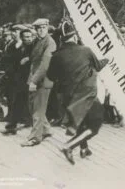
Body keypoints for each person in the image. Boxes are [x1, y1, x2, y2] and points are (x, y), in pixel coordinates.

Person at [47, 21, 108, 165]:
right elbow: (98, 66)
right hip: (85, 95)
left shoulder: (56, 55)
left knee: (81, 122)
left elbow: (50, 76)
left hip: (67, 96)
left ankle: (84, 149)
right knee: (95, 124)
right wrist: (107, 59)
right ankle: (69, 146)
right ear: (74, 37)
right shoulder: (85, 50)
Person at [21, 18, 56, 147]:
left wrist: (34, 81)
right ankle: (46, 130)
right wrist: (28, 58)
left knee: (37, 109)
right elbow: (36, 56)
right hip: (34, 78)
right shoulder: (38, 41)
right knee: (33, 107)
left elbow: (44, 65)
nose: (41, 30)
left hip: (42, 80)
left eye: (43, 28)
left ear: (47, 28)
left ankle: (35, 138)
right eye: (38, 28)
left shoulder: (50, 43)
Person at [0, 29, 35, 135]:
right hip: (20, 79)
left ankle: (17, 124)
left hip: (30, 79)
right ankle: (14, 125)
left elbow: (38, 58)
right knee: (19, 102)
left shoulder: (33, 48)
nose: (29, 38)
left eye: (30, 36)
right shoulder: (19, 48)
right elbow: (14, 61)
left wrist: (29, 59)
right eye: (26, 37)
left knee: (23, 102)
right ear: (22, 38)